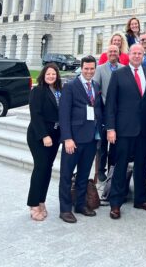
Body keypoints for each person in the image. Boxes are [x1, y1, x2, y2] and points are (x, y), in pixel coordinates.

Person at [106, 44, 146, 219]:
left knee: (142, 167)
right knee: (121, 167)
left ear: (144, 55)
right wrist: (111, 128)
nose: (136, 56)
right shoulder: (118, 74)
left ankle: (140, 199)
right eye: (134, 53)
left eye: (140, 53)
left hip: (144, 130)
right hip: (123, 130)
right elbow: (111, 104)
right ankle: (115, 203)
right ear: (129, 55)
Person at [58, 55, 103, 223]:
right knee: (66, 175)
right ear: (81, 68)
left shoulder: (96, 85)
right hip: (74, 140)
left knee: (84, 174)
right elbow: (64, 114)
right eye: (86, 68)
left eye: (92, 69)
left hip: (91, 138)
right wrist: (67, 138)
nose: (89, 71)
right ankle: (65, 209)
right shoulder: (70, 86)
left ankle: (80, 204)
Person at [26, 63, 62, 221]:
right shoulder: (38, 90)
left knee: (47, 169)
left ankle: (42, 201)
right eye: (48, 74)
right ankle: (33, 204)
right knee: (40, 168)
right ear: (43, 75)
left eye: (53, 74)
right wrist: (44, 136)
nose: (51, 76)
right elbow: (36, 114)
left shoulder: (59, 90)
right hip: (39, 135)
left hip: (55, 134)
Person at [94, 45, 122, 182]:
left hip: (120, 112)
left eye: (115, 51)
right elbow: (95, 88)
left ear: (119, 53)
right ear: (107, 53)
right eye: (110, 51)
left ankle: (112, 168)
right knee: (103, 143)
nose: (113, 53)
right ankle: (100, 170)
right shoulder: (100, 69)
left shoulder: (124, 68)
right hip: (104, 111)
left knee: (115, 143)